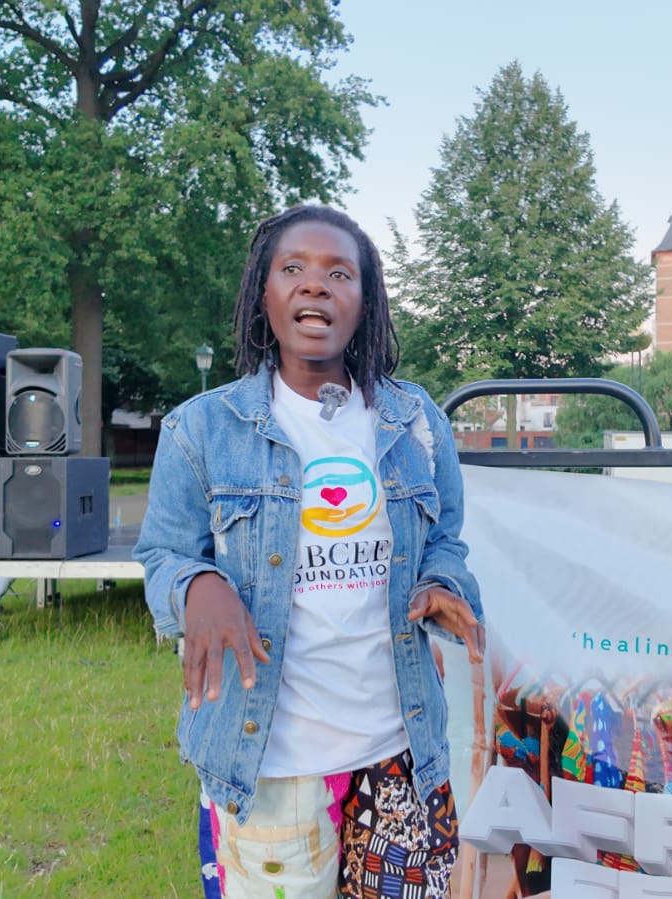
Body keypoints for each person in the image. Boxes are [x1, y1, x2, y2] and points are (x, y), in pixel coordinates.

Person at [133, 205, 484, 896]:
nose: (315, 284)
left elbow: (446, 539)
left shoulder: (416, 422)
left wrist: (442, 583)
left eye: (339, 273)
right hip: (271, 763)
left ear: (365, 303)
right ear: (263, 296)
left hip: (400, 753)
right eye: (292, 268)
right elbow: (164, 554)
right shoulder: (200, 428)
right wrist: (198, 585)